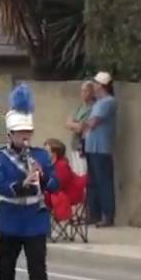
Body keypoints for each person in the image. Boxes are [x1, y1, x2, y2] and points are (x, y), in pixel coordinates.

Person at [0, 84, 61, 280]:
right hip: (11, 214)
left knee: (37, 266)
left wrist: (43, 176)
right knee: (7, 266)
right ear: (10, 134)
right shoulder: (1, 156)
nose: (26, 137)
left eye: (28, 132)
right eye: (21, 133)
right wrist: (23, 182)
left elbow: (55, 186)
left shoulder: (40, 155)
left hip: (34, 215)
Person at [81, 71, 118, 227]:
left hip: (102, 148)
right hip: (91, 146)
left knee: (104, 182)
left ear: (102, 86)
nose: (93, 86)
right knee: (92, 182)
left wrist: (80, 124)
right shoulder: (98, 102)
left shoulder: (108, 101)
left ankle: (107, 215)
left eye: (96, 84)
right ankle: (93, 214)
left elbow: (92, 122)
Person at [42, 138, 86, 225]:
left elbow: (59, 184)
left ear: (54, 153)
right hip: (57, 192)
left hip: (70, 193)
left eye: (46, 151)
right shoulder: (48, 165)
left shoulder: (62, 165)